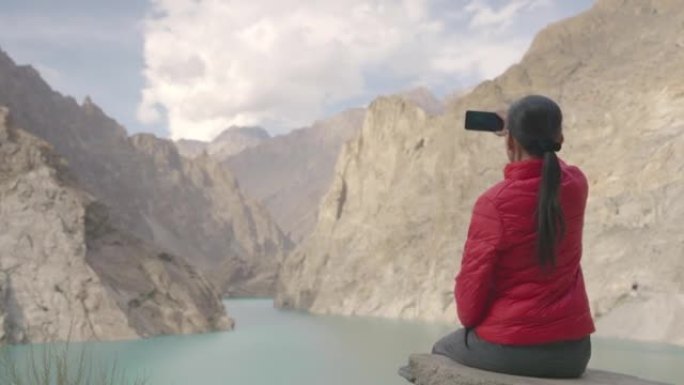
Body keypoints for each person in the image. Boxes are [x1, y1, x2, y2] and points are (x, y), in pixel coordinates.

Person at [431, 95, 595, 378]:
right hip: (574, 352)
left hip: (514, 348)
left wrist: (517, 127)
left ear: (509, 142)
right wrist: (525, 125)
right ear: (560, 137)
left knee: (441, 349)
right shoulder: (576, 184)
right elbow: (553, 167)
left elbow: (469, 309)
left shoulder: (494, 203)